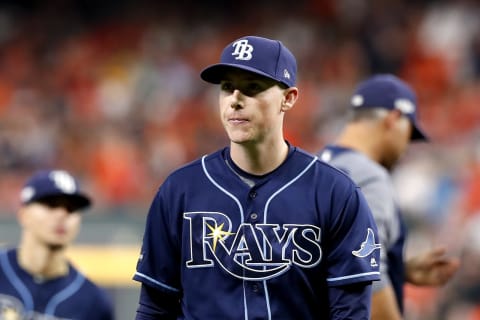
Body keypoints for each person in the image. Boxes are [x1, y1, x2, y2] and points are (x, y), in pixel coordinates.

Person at [133, 35, 381, 320]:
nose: (235, 101)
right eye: (227, 87)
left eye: (252, 88)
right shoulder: (179, 191)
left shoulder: (335, 193)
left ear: (288, 98)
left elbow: (350, 312)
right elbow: (154, 308)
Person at [319, 74, 461, 320]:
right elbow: (364, 274)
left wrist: (400, 270)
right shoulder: (370, 175)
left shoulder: (311, 166)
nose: (406, 146)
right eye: (409, 134)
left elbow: (321, 262)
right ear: (394, 119)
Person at [0, 169, 114, 319]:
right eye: (51, 204)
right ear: (23, 215)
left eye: (71, 208)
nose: (62, 214)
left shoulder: (93, 301)